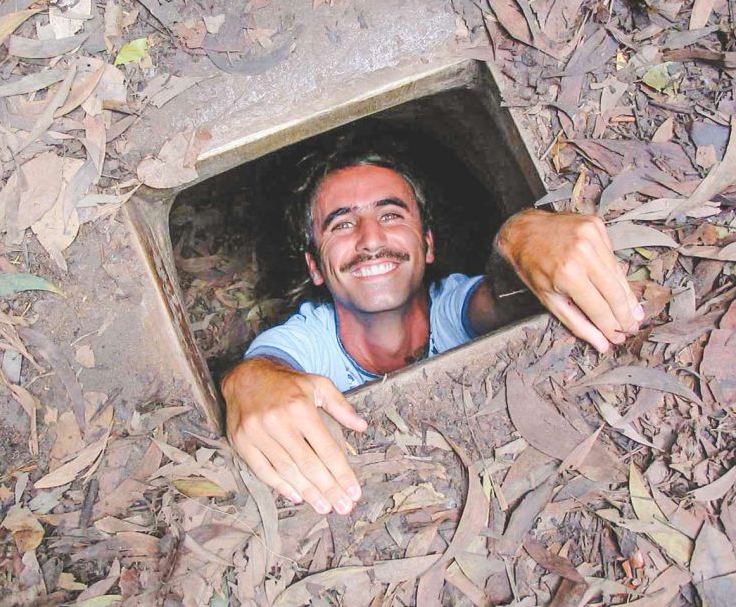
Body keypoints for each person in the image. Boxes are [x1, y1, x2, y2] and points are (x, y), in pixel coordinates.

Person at [221, 145, 642, 517]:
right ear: (315, 267)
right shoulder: (308, 339)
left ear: (428, 245)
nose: (370, 239)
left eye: (390, 215)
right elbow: (266, 369)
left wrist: (521, 236)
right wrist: (246, 382)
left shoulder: (453, 307)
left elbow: (503, 298)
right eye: (342, 225)